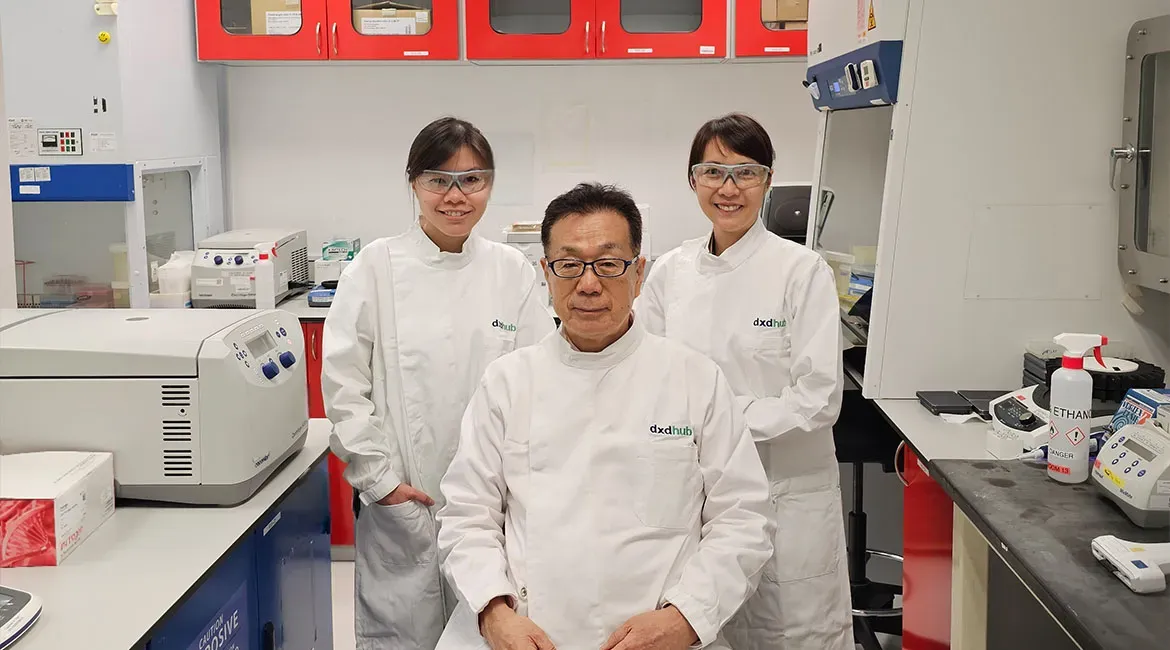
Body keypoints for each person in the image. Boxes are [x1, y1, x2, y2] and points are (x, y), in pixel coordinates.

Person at [434, 182, 775, 650]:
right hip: (526, 630)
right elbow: (467, 514)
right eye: (569, 265)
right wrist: (494, 612)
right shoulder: (508, 382)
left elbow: (743, 518)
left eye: (609, 264)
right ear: (546, 274)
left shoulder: (694, 379)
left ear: (639, 273)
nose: (588, 284)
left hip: (662, 631)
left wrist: (687, 617)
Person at [322, 116, 556, 650]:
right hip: (407, 499)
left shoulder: (511, 272)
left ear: (490, 185)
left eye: (472, 180)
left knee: (490, 629)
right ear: (413, 183)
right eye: (438, 180)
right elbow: (343, 383)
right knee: (403, 634)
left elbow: (539, 381)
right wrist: (380, 481)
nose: (455, 196)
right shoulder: (375, 268)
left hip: (493, 501)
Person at [635, 113, 854, 650]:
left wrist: (720, 423)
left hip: (784, 492)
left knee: (791, 632)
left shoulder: (801, 271)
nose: (728, 189)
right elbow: (646, 372)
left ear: (768, 179)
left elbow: (818, 399)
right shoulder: (671, 272)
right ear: (692, 180)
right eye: (712, 172)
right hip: (693, 492)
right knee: (701, 626)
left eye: (745, 173)